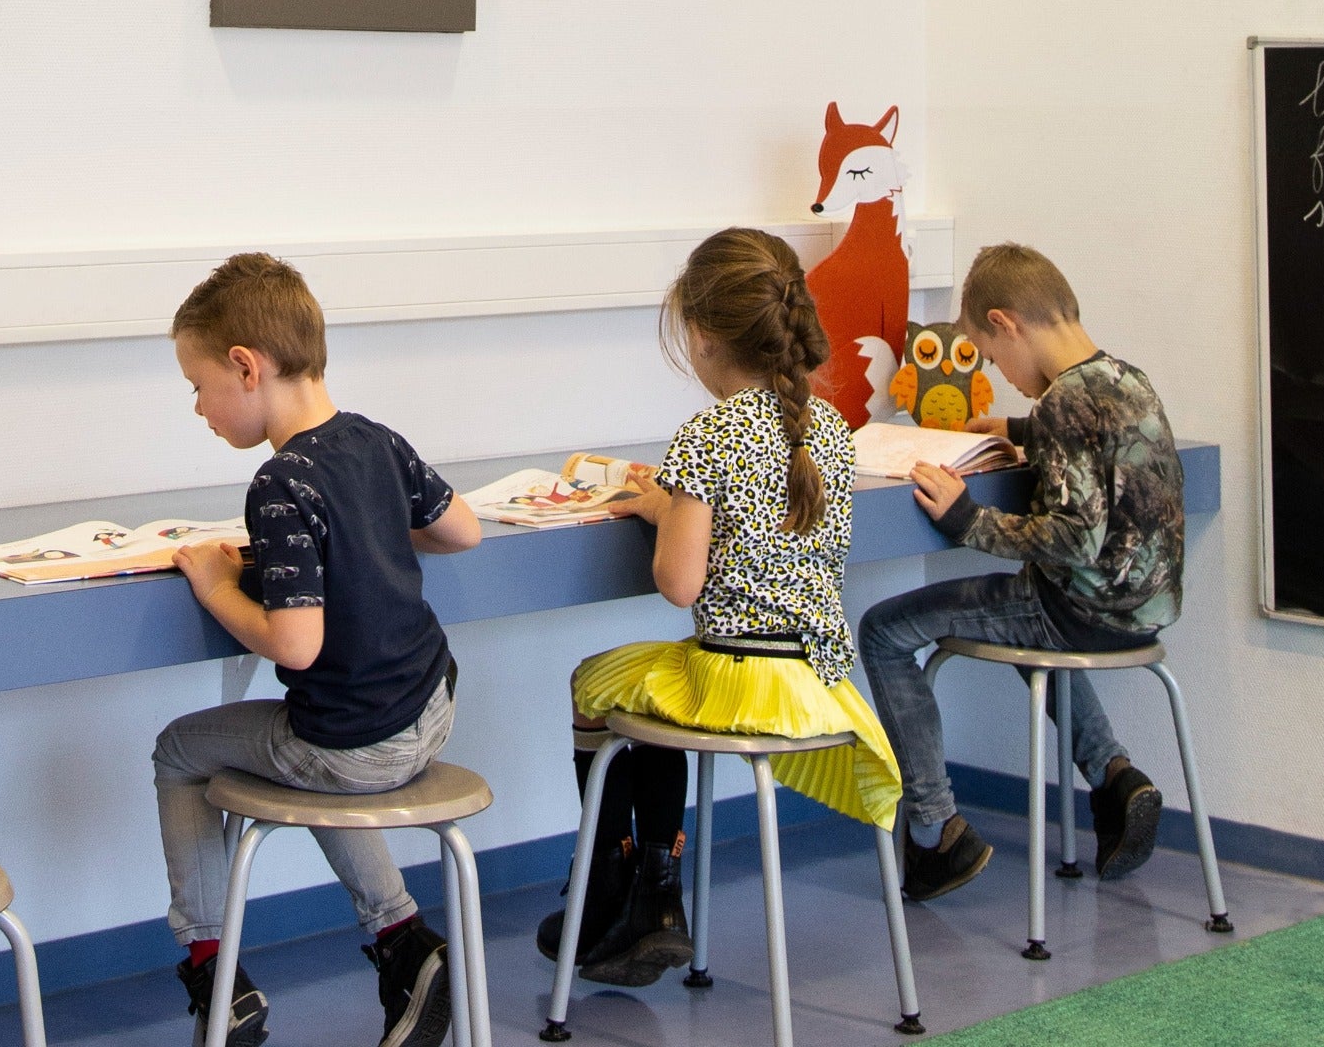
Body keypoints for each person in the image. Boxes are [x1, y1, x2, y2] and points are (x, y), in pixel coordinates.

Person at [545, 228, 900, 989]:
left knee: (595, 684)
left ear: (703, 336)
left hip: (738, 679)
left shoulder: (708, 434)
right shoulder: (828, 431)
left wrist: (664, 510)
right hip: (817, 684)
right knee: (654, 689)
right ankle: (651, 893)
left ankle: (615, 881)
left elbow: (679, 584)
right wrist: (674, 505)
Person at [153, 253, 480, 1047]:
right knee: (323, 736)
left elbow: (295, 648)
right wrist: (365, 533)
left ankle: (212, 971)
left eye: (198, 386)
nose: (197, 408)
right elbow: (462, 530)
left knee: (179, 749)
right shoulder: (375, 439)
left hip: (358, 745)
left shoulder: (281, 483)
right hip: (431, 710)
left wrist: (216, 587)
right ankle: (402, 943)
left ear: (246, 367)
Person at [859, 242, 1184, 902]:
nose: (1001, 372)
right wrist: (1013, 427)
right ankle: (1115, 777)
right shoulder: (1126, 379)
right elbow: (1094, 436)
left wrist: (967, 520)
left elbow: (1073, 540)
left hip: (1077, 612)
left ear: (1005, 324)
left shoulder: (1063, 402)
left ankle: (935, 832)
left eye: (990, 354)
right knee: (1023, 619)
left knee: (883, 630)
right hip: (1144, 611)